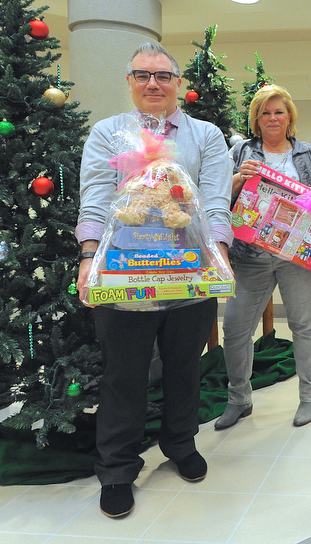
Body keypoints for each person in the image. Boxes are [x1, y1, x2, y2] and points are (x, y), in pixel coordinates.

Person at [75, 41, 233, 518]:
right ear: (129, 83)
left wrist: (219, 253)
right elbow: (97, 196)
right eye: (143, 76)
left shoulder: (204, 135)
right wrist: (88, 257)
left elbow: (214, 199)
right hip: (124, 277)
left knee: (186, 366)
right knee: (124, 375)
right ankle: (118, 468)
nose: (153, 84)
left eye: (163, 76)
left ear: (177, 84)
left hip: (190, 275)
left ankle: (180, 444)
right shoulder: (108, 133)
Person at [215, 84, 311, 431]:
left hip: (296, 256)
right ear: (256, 119)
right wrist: (236, 179)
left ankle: (309, 399)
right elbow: (219, 196)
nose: (273, 118)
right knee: (234, 328)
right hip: (250, 255)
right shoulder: (241, 151)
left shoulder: (307, 154)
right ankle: (239, 399)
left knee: (304, 327)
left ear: (289, 116)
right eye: (266, 112)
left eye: (279, 111)